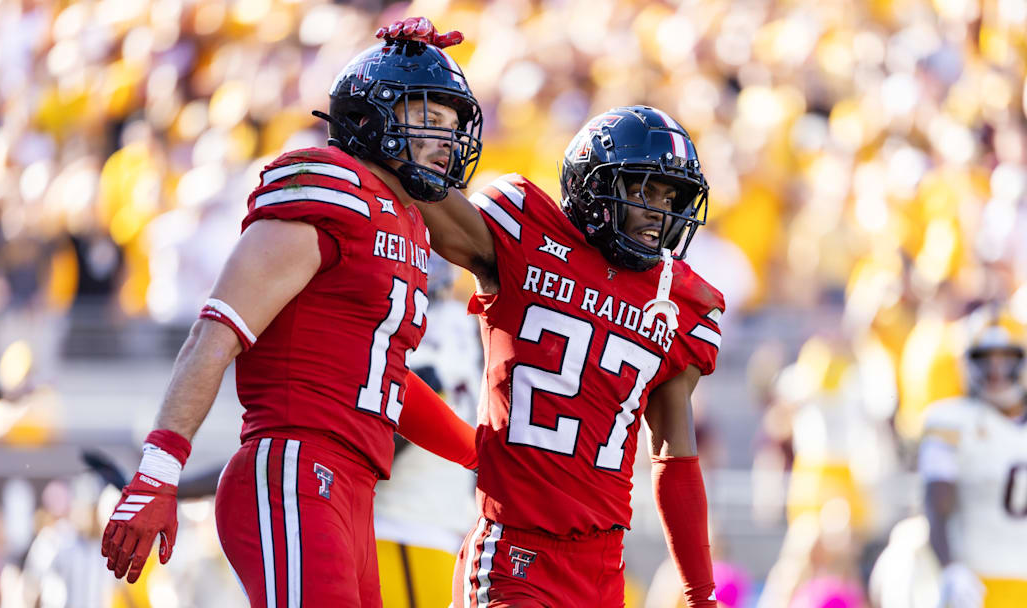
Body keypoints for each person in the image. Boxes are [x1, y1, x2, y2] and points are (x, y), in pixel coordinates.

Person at [99, 32, 484, 608]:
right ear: (373, 117)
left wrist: (480, 453)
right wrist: (159, 468)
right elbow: (215, 332)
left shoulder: (404, 223)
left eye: (452, 124)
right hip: (295, 469)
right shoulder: (331, 188)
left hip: (351, 487)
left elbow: (384, 379)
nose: (445, 140)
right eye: (429, 116)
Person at [379, 20, 723, 607]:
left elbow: (674, 454)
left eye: (670, 198)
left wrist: (700, 593)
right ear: (592, 186)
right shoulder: (523, 234)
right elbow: (421, 192)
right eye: (642, 189)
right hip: (515, 550)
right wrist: (399, 93)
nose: (657, 212)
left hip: (603, 566)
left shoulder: (681, 300)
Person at [919, 308, 1027, 608]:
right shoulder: (951, 420)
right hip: (977, 584)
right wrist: (950, 568)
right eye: (985, 359)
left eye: (1006, 359)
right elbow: (937, 504)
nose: (995, 370)